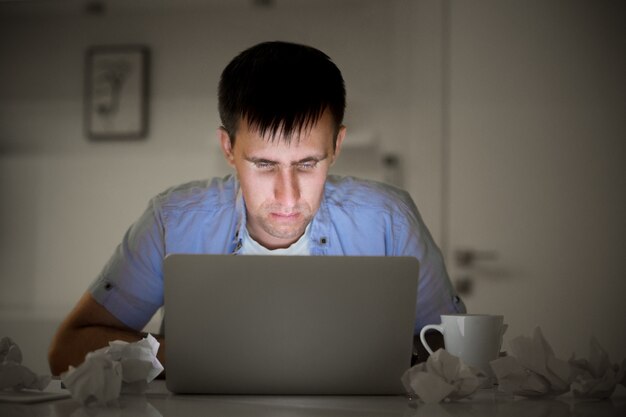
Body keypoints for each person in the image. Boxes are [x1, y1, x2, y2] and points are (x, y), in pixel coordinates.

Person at [48, 41, 465, 376]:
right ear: (229, 148)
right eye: (264, 164)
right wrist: (181, 353)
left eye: (307, 163)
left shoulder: (388, 219)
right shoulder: (172, 220)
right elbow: (67, 350)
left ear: (336, 147)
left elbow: (459, 353)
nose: (287, 195)